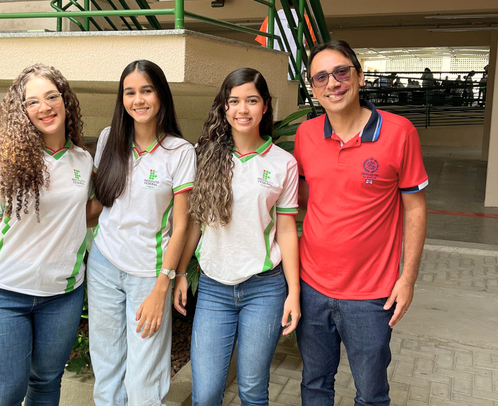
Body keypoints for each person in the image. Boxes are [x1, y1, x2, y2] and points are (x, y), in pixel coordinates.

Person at [293, 40, 428, 405]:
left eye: (341, 72)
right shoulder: (306, 135)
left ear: (359, 75)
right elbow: (301, 202)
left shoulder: (399, 132)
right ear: (312, 87)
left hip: (371, 296)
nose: (332, 83)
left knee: (370, 393)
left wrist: (408, 279)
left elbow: (415, 209)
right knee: (314, 383)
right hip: (312, 287)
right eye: (321, 77)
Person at [0, 64, 93, 405]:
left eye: (51, 97)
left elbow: (85, 214)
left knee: (47, 382)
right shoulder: (3, 161)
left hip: (62, 295)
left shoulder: (82, 160)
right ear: (21, 112)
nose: (44, 107)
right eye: (32, 102)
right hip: (5, 294)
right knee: (5, 395)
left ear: (66, 101)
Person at [174, 68, 301, 405]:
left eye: (251, 100)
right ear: (224, 107)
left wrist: (294, 293)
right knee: (205, 393)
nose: (242, 109)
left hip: (265, 288)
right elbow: (195, 223)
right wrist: (181, 273)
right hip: (215, 288)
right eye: (234, 101)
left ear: (265, 106)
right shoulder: (205, 155)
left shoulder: (283, 163)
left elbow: (287, 229)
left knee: (252, 390)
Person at [88, 59, 196, 406]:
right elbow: (99, 205)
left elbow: (180, 226)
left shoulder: (180, 152)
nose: (138, 100)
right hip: (103, 265)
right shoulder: (108, 139)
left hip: (148, 274)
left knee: (144, 378)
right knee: (106, 370)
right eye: (130, 92)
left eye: (146, 90)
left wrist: (162, 284)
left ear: (161, 94)